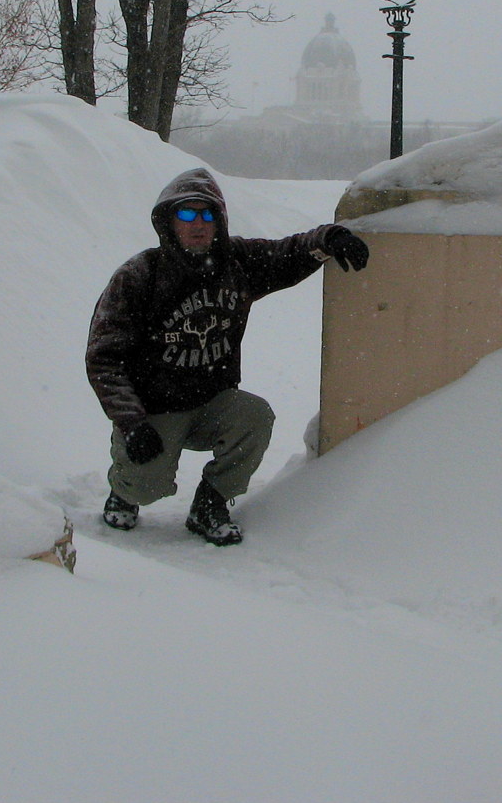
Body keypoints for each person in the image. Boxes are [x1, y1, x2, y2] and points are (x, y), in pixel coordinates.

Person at [86, 168, 370, 545]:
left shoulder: (235, 262)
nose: (198, 224)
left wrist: (330, 239)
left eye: (208, 214)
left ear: (219, 220)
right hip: (154, 409)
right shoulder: (140, 276)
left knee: (254, 416)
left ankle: (210, 503)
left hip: (212, 400)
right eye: (187, 214)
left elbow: (288, 252)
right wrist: (132, 422)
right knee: (145, 487)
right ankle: (125, 492)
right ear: (168, 221)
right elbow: (104, 358)